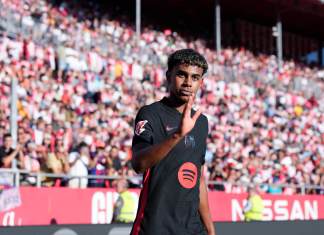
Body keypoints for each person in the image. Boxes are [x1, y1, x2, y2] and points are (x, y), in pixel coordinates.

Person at [130, 49, 216, 235]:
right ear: (169, 76)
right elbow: (138, 164)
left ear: (201, 83)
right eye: (181, 75)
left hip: (193, 228)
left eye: (194, 78)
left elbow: (198, 176)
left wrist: (209, 227)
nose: (187, 83)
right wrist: (177, 135)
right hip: (155, 226)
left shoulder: (201, 122)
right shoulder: (150, 114)